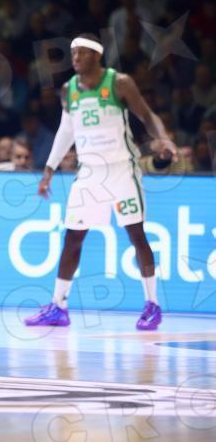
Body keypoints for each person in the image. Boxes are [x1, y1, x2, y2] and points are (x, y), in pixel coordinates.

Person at [26, 34, 177, 331]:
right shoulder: (68, 90)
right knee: (73, 238)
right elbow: (65, 132)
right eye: (73, 53)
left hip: (122, 170)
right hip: (89, 173)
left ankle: (152, 305)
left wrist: (163, 138)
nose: (75, 58)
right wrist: (49, 169)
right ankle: (58, 306)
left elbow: (147, 116)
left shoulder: (120, 82)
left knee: (136, 235)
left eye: (81, 53)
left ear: (97, 55)